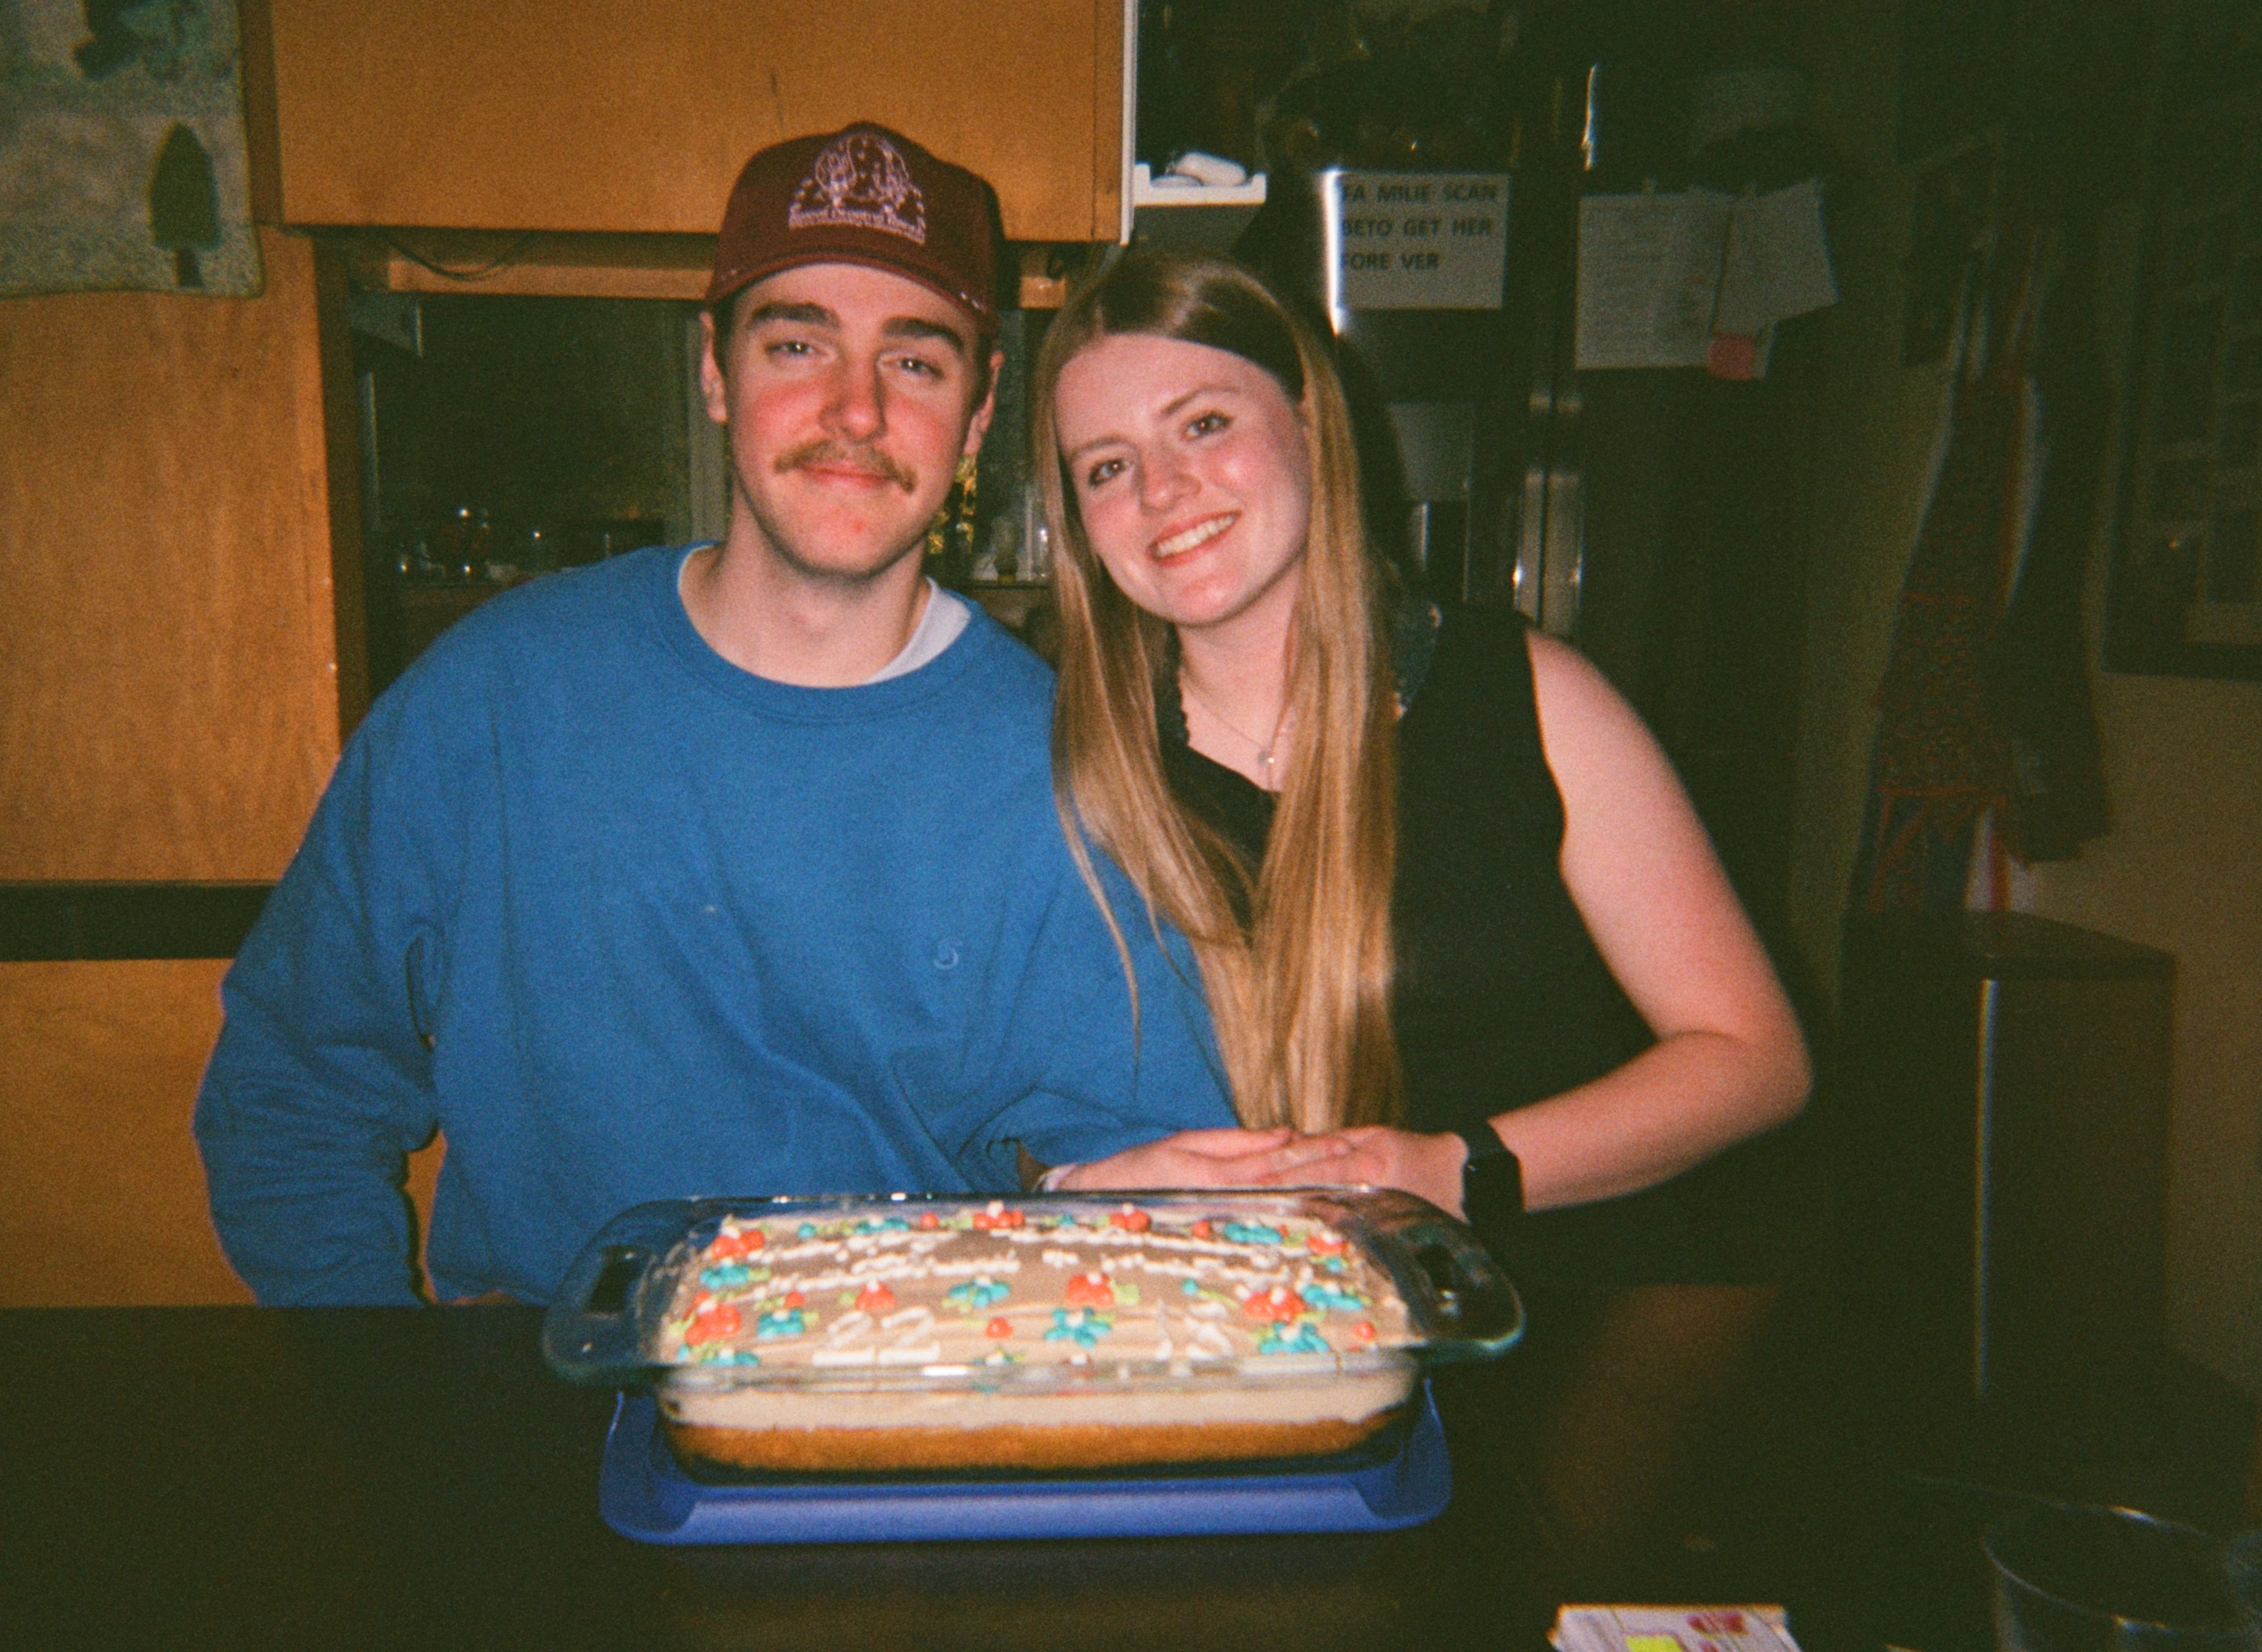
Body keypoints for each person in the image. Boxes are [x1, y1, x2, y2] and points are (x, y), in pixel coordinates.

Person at [194, 128, 1300, 1307]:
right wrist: (388, 1391)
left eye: (916, 363)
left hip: (894, 1409)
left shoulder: (1064, 768)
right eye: (795, 344)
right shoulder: (494, 699)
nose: (855, 409)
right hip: (538, 1405)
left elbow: (1143, 1168)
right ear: (715, 375)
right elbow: (291, 1086)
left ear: (977, 420)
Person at [1030, 248, 1812, 1282]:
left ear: (1309, 421)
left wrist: (1454, 1168)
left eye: (1204, 424)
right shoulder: (1056, 758)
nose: (1164, 490)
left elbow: (1753, 1060)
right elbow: (989, 1102)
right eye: (1108, 466)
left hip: (1549, 1302)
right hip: (1231, 1323)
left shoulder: (1532, 698)